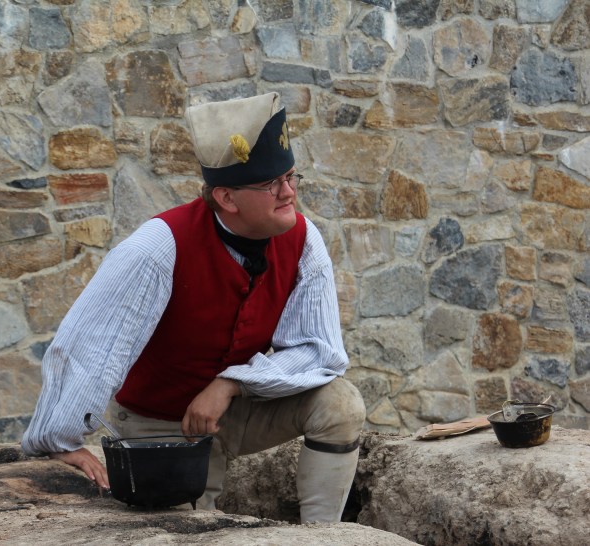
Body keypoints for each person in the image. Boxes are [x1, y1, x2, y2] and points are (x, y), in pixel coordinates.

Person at [22, 92, 366, 523]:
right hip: (159, 424)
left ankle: (323, 537)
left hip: (237, 412)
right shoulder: (157, 247)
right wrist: (59, 439)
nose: (289, 192)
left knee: (340, 404)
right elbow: (92, 346)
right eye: (271, 184)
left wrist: (230, 384)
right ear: (226, 198)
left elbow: (320, 353)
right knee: (189, 530)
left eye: (291, 177)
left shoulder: (303, 239)